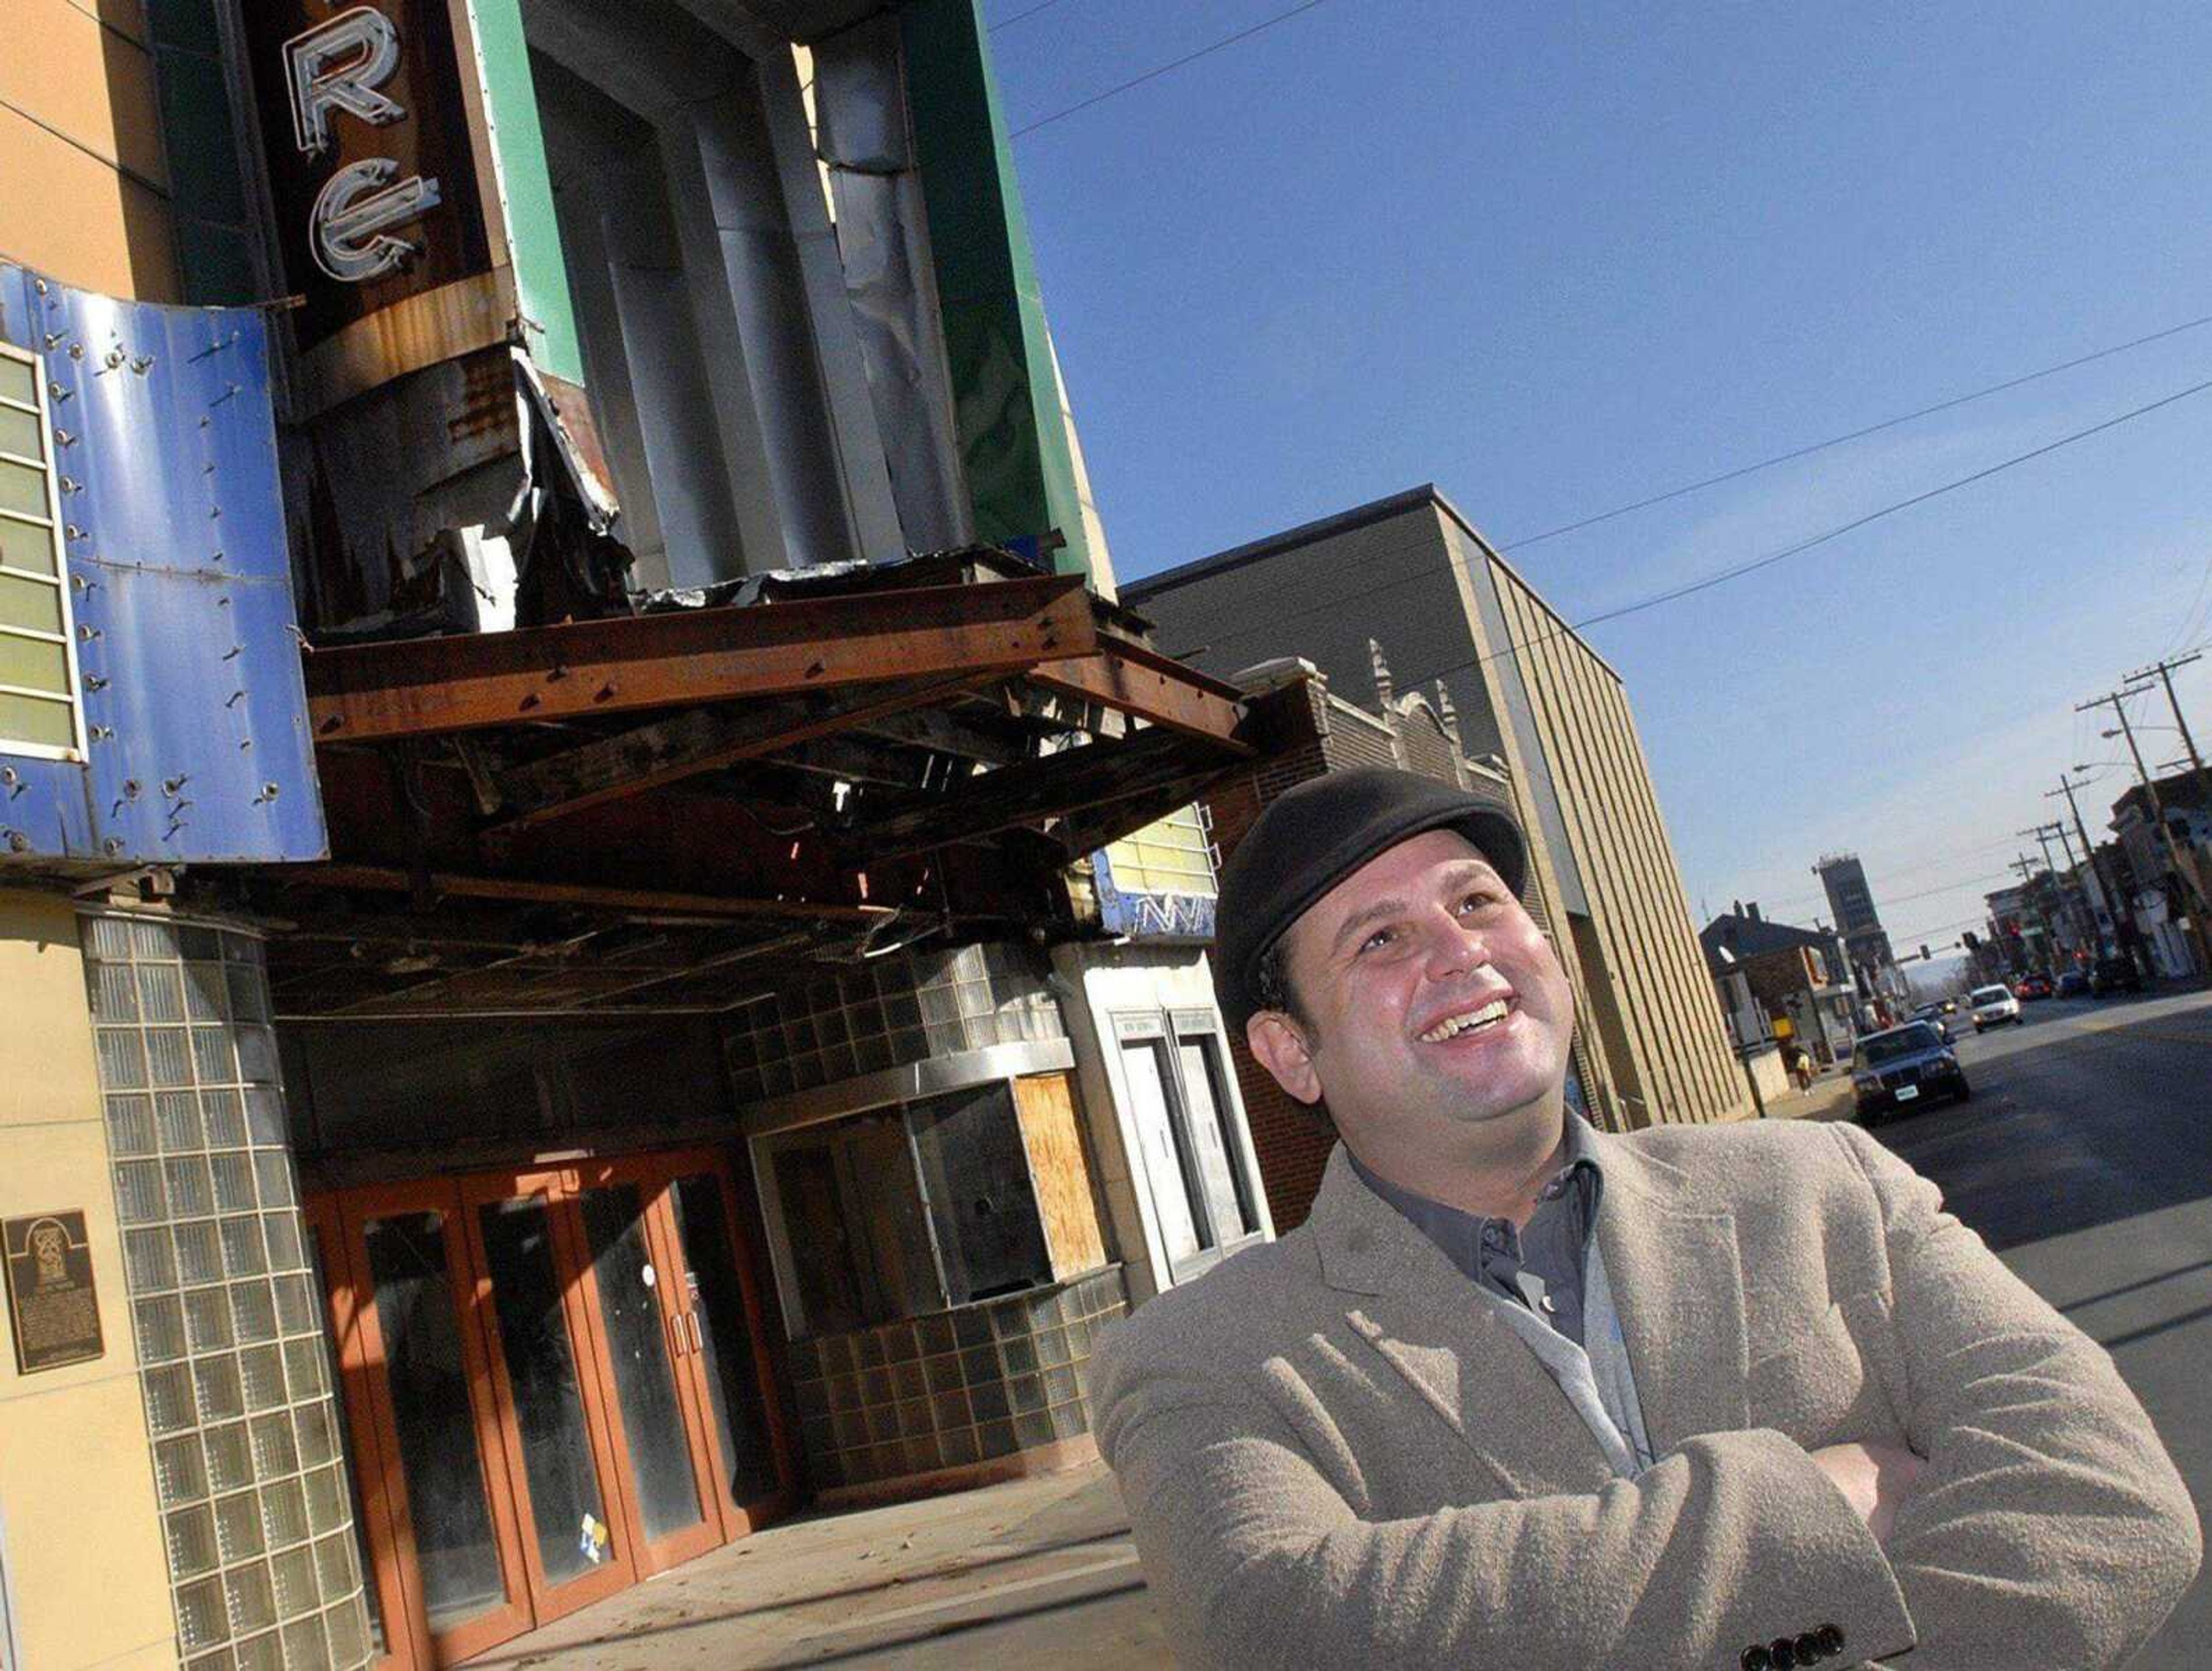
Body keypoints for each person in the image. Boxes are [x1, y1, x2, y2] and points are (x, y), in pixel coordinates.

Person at [1092, 768, 2198, 1670]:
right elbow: (1289, 1631)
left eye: (1478, 901)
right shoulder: (1202, 1361)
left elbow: (2106, 1499)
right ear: (1290, 1052)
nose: (1460, 947)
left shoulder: (1828, 1184)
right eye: (1379, 940)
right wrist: (1811, 1496)